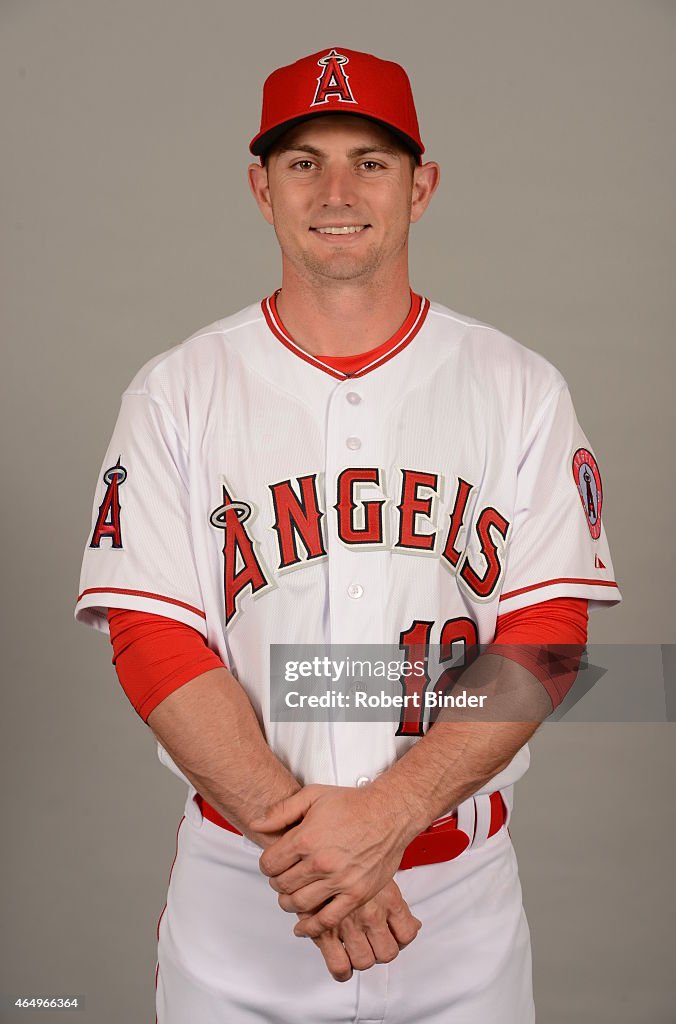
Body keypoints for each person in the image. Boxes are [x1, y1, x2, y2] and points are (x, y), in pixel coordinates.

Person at [75, 46, 622, 1024]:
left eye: (370, 160)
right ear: (260, 187)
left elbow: (546, 637)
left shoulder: (517, 388)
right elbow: (152, 641)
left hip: (457, 909)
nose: (337, 188)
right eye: (302, 161)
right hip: (245, 901)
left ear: (422, 185)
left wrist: (386, 815)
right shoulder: (176, 394)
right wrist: (320, 853)